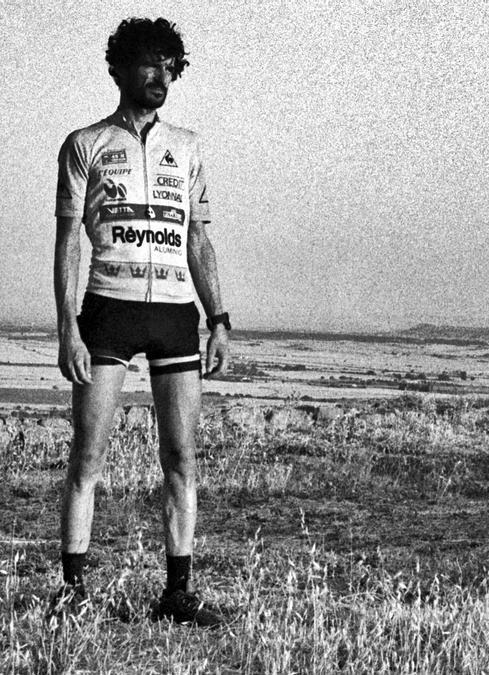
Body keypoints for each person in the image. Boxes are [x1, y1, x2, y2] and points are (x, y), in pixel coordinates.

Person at [51, 17, 231, 626]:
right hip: (108, 307)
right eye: (148, 64)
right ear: (120, 69)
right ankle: (73, 591)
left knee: (181, 458)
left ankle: (176, 592)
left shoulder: (190, 145)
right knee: (88, 458)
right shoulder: (86, 143)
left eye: (169, 65)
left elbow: (198, 240)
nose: (161, 76)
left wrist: (220, 319)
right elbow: (68, 243)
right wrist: (67, 329)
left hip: (177, 313)